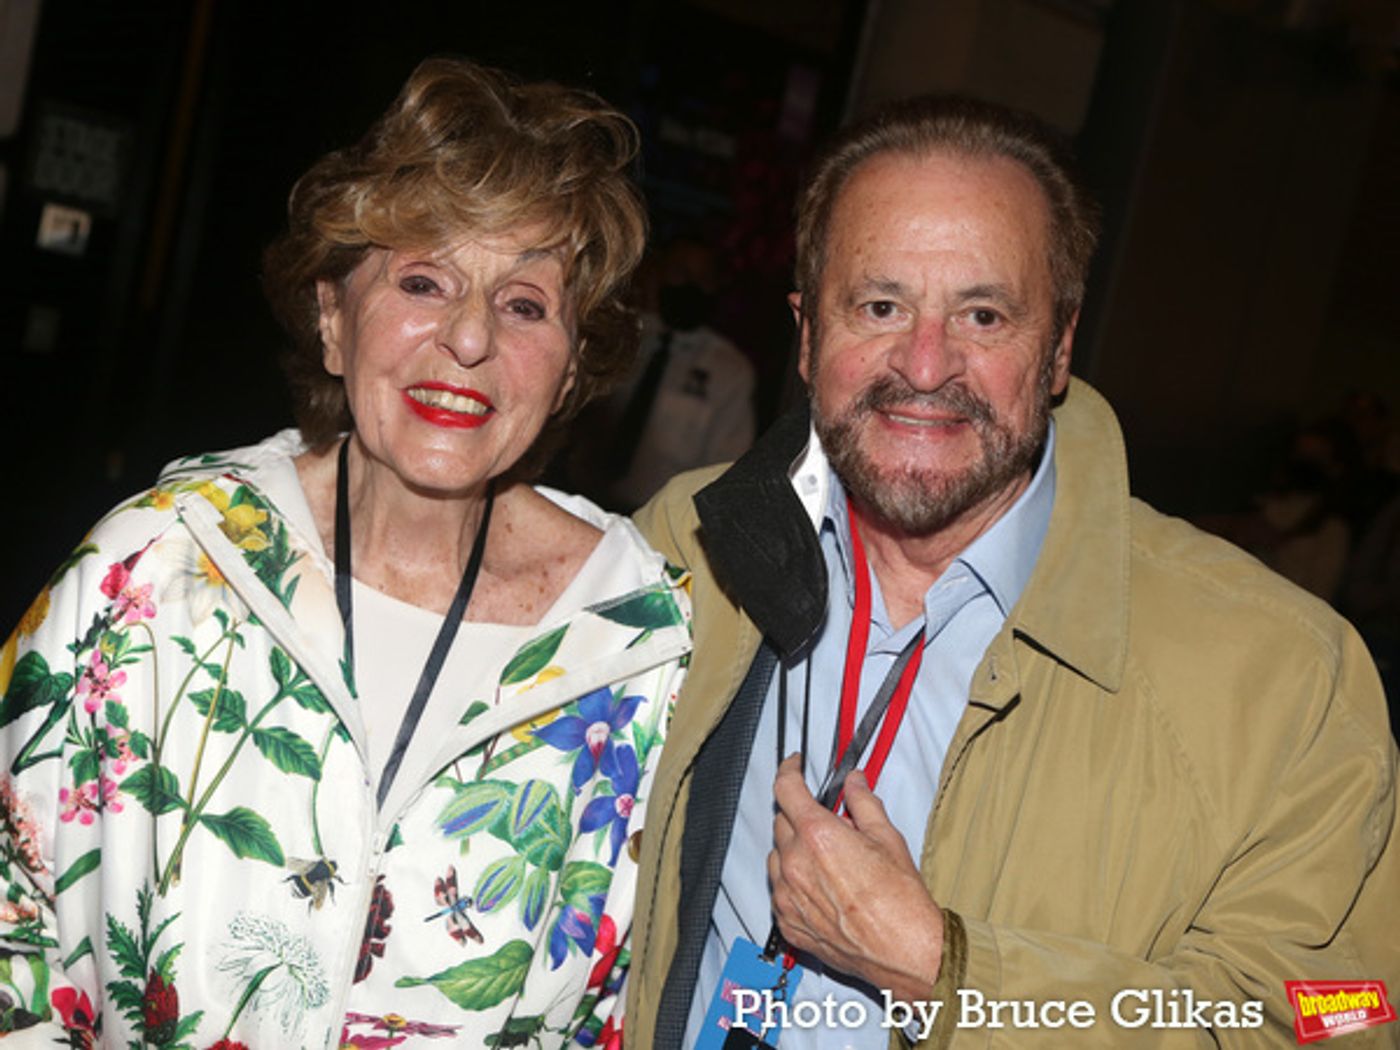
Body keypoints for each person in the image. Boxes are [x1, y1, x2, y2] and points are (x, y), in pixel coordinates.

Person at [626, 95, 1400, 1047]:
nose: (924, 364)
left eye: (983, 314)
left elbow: (1349, 1016)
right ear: (805, 332)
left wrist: (949, 974)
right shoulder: (685, 544)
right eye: (879, 305)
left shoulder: (1283, 676)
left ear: (1061, 346)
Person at [0, 59, 691, 1049]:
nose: (466, 339)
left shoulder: (640, 645)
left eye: (525, 304)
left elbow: (626, 1005)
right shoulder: (160, 564)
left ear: (574, 361)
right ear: (333, 315)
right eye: (423, 281)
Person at [574, 235, 756, 512]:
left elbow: (726, 472)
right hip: (578, 498)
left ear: (716, 286)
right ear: (659, 273)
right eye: (679, 272)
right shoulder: (617, 339)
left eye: (702, 278)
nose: (688, 286)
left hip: (657, 522)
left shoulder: (729, 371)